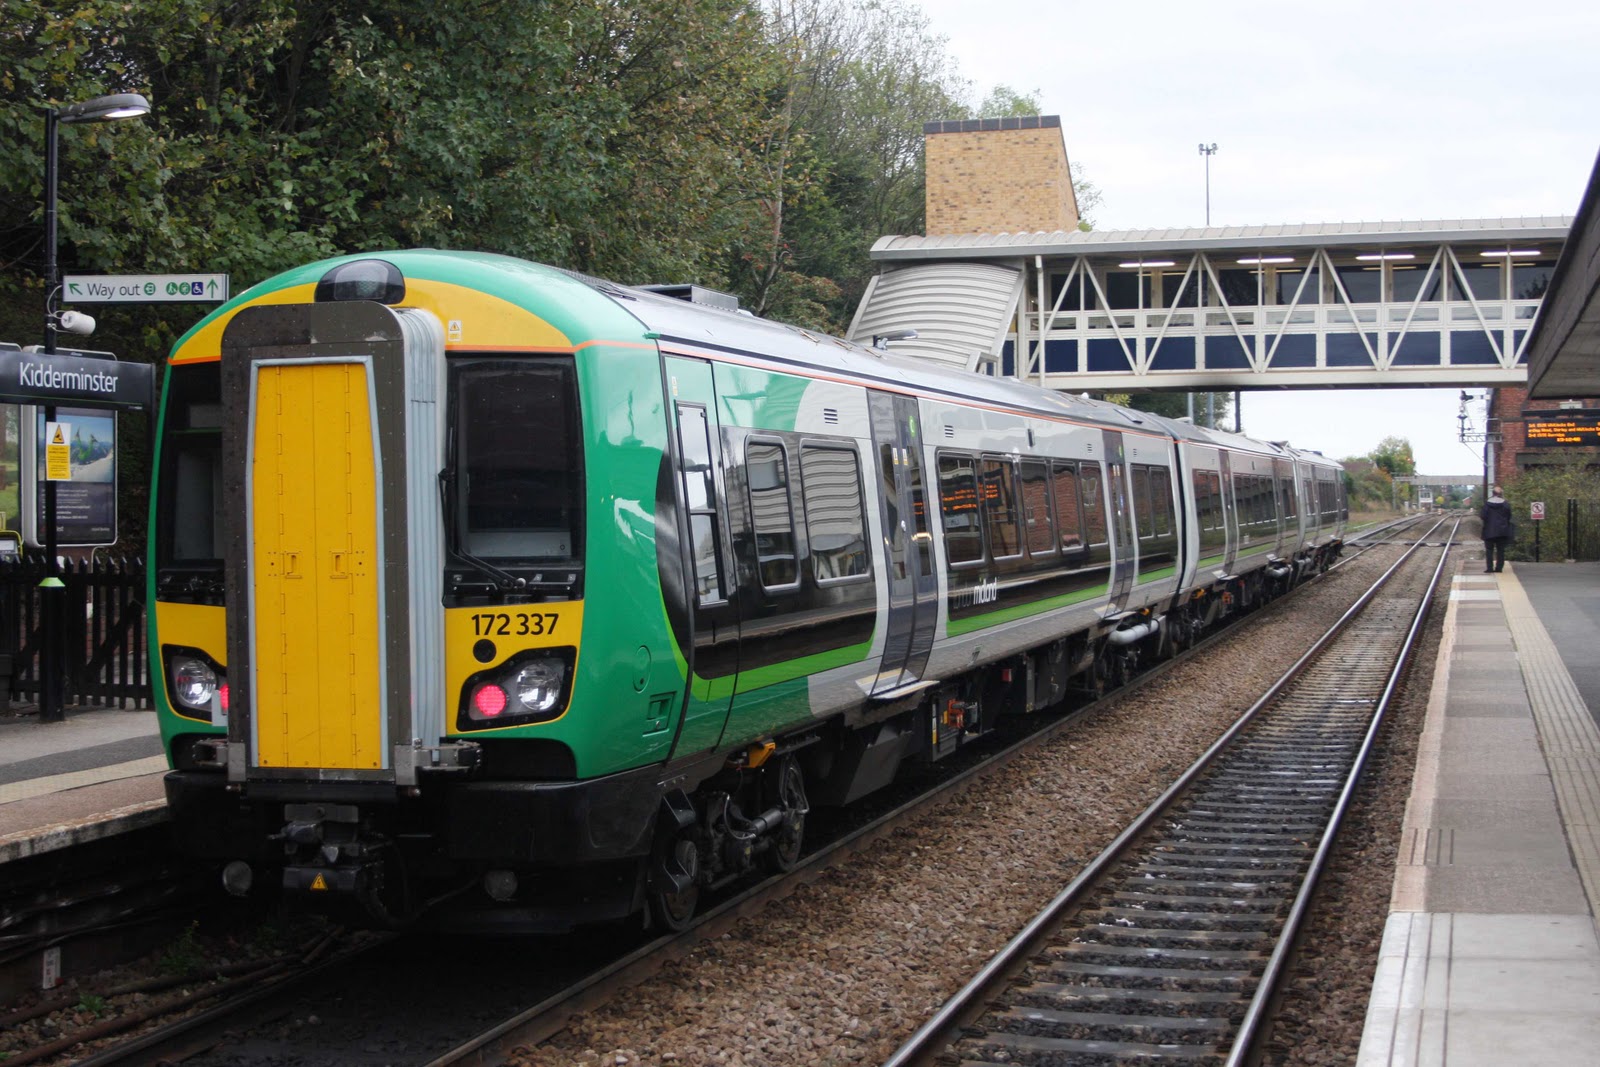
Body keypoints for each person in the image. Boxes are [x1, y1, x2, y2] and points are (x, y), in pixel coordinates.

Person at [1480, 485, 1513, 573]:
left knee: (1489, 550)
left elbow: (1483, 516)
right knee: (1501, 550)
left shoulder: (1487, 504)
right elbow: (1509, 516)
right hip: (1502, 530)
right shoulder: (1505, 504)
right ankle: (1499, 568)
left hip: (1489, 530)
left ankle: (1489, 568)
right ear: (1501, 494)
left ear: (1493, 493)